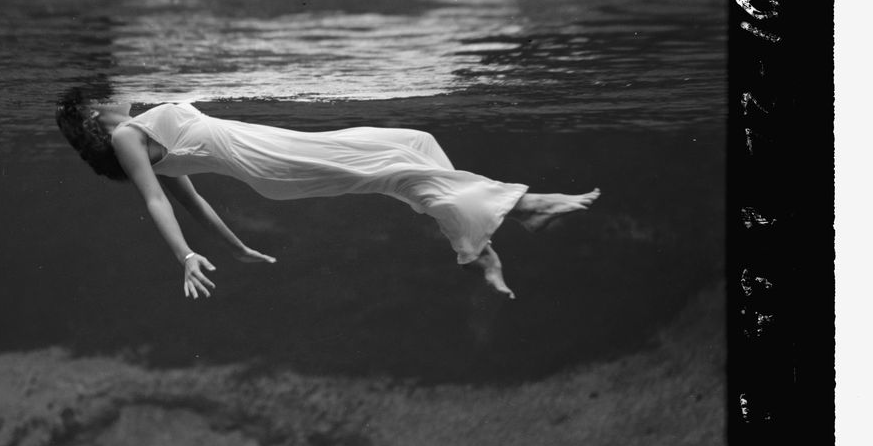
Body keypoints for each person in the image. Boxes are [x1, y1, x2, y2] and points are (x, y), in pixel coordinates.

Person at [55, 86, 599, 300]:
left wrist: (236, 246)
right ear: (91, 116)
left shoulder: (139, 129)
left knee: (414, 142)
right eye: (101, 96)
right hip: (272, 163)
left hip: (274, 151)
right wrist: (186, 255)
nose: (116, 92)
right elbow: (159, 199)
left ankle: (477, 243)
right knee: (397, 170)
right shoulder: (128, 135)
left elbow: (193, 200)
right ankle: (523, 209)